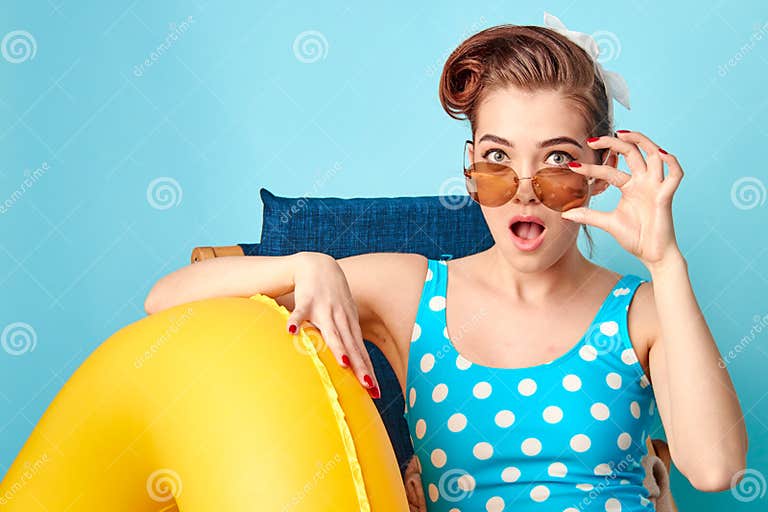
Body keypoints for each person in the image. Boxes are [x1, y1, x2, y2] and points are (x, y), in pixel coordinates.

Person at [145, 15, 747, 512]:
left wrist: (666, 264)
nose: (525, 189)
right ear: (470, 167)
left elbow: (715, 468)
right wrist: (307, 265)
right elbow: (166, 300)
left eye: (558, 159)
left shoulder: (640, 309)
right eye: (496, 157)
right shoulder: (411, 291)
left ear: (595, 175)